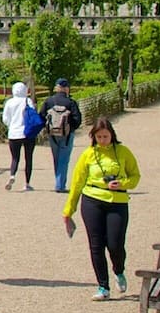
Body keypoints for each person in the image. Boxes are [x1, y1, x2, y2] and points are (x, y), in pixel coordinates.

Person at [62, 117, 141, 301]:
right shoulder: (88, 154)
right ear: (94, 137)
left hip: (117, 200)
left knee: (115, 244)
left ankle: (119, 270)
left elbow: (135, 176)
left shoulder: (122, 152)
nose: (103, 140)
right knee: (96, 245)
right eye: (99, 137)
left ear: (112, 135)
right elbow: (77, 182)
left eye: (106, 136)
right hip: (92, 199)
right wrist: (69, 210)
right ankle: (103, 286)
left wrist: (123, 183)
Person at [40, 78, 83, 192]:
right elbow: (77, 119)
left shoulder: (49, 101)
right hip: (67, 134)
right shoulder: (70, 102)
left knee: (56, 158)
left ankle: (58, 181)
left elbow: (41, 115)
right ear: (66, 88)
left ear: (56, 87)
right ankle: (60, 185)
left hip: (52, 134)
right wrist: (71, 128)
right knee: (64, 159)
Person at [1, 81, 38, 191]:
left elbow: (5, 119)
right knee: (28, 158)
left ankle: (12, 175)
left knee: (15, 158)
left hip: (14, 133)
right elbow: (32, 115)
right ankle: (27, 183)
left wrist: (11, 125)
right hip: (28, 133)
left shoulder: (9, 102)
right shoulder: (28, 101)